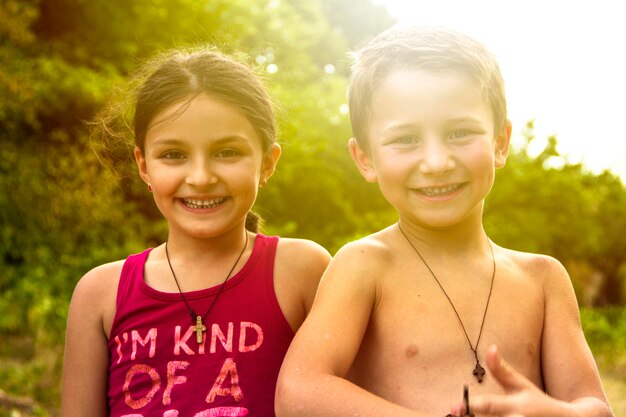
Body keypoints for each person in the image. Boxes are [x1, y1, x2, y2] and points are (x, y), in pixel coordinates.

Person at [275, 26, 613, 417]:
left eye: (460, 132)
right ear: (365, 159)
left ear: (501, 142)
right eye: (405, 139)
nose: (436, 163)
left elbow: (594, 407)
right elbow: (299, 392)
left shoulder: (542, 278)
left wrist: (562, 414)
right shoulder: (365, 264)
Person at [61, 47, 331, 417]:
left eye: (227, 152)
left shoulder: (301, 271)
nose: (201, 178)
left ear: (267, 162)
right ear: (143, 165)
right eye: (173, 155)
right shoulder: (99, 294)